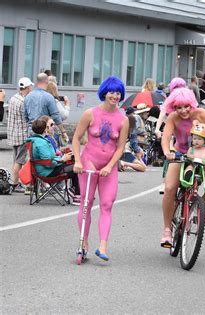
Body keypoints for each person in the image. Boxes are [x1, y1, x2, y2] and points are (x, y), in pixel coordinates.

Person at [159, 87, 205, 247]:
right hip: (181, 157)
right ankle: (167, 231)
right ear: (174, 107)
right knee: (170, 188)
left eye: (186, 106)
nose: (183, 111)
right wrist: (168, 152)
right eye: (178, 107)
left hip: (203, 157)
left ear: (192, 104)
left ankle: (200, 204)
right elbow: (165, 138)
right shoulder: (173, 118)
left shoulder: (204, 115)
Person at [72, 76, 129, 261]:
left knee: (107, 204)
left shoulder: (123, 119)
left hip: (108, 167)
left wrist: (111, 165)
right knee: (86, 202)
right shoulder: (90, 113)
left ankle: (103, 245)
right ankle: (84, 241)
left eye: (118, 93)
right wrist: (78, 161)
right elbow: (76, 138)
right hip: (88, 162)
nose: (115, 96)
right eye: (112, 92)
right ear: (105, 93)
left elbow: (120, 147)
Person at [26, 118, 80, 205]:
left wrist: (62, 158)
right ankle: (76, 193)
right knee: (76, 167)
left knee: (74, 163)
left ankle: (74, 190)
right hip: (47, 172)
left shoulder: (35, 140)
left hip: (43, 170)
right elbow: (48, 162)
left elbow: (48, 159)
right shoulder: (42, 143)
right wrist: (62, 159)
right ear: (44, 129)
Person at [6, 78, 33, 193]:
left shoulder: (13, 98)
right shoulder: (24, 101)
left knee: (15, 159)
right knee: (19, 161)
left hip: (13, 133)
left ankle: (15, 182)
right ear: (27, 87)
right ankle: (15, 183)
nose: (31, 88)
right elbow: (27, 118)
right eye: (30, 86)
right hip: (22, 134)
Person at [24, 73, 68, 143]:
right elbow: (56, 116)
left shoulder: (28, 96)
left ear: (37, 82)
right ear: (47, 82)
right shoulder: (49, 97)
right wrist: (63, 131)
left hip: (31, 131)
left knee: (33, 152)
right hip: (45, 132)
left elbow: (26, 116)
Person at [183, 120, 205, 189]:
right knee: (189, 168)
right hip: (193, 167)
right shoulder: (191, 149)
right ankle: (187, 176)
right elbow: (187, 156)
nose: (196, 141)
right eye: (194, 138)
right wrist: (189, 156)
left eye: (199, 139)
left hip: (203, 170)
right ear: (192, 139)